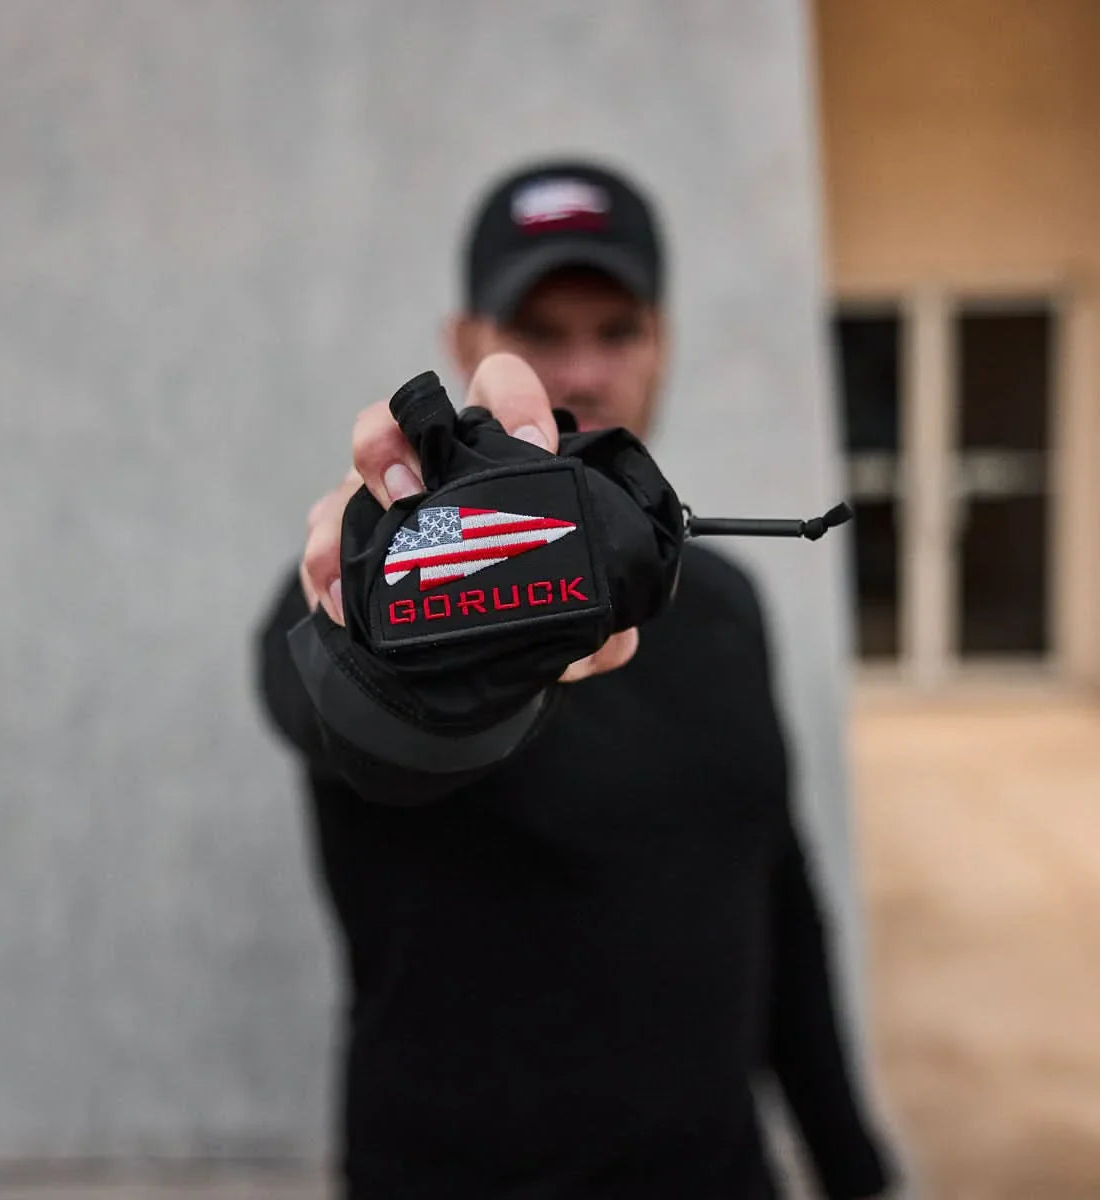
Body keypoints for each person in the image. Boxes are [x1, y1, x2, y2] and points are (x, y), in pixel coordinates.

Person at [255, 159, 894, 1199]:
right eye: (541, 334)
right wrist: (400, 626)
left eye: (618, 331)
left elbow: (776, 893)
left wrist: (852, 1167)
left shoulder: (724, 604)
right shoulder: (367, 593)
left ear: (662, 343)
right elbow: (346, 720)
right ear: (467, 344)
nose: (584, 373)